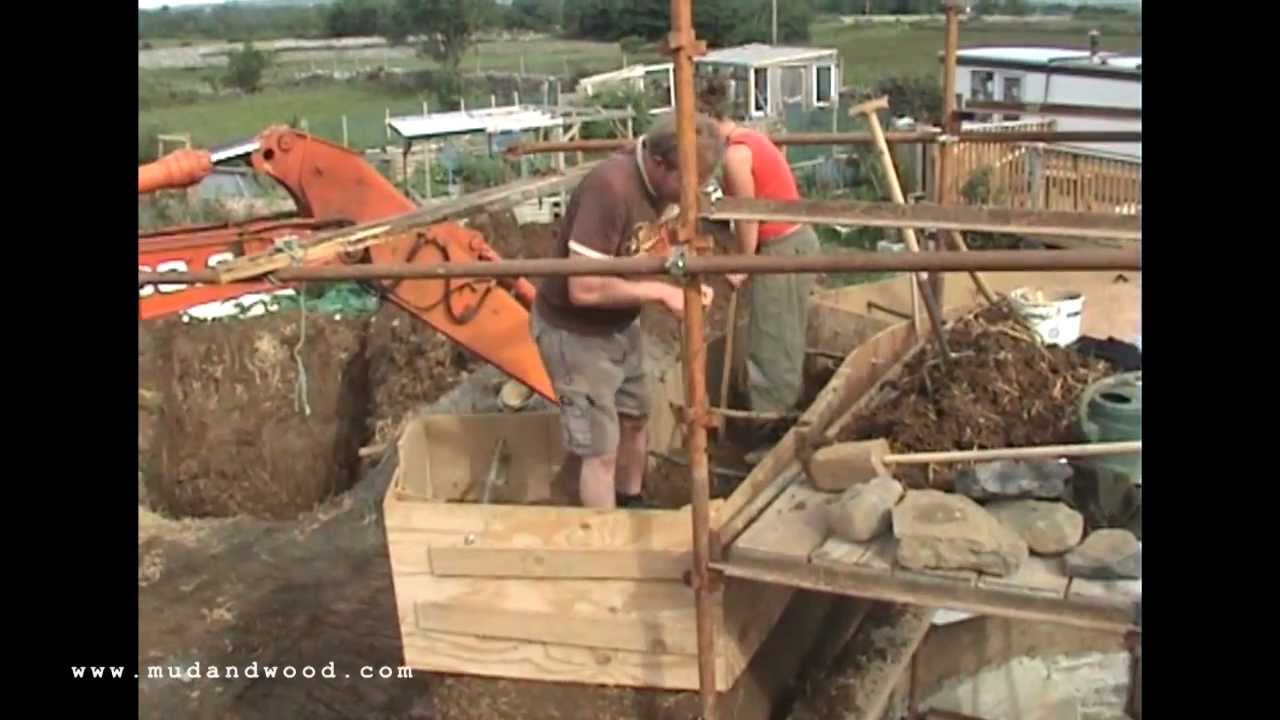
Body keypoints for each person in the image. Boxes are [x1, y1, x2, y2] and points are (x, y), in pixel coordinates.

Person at [530, 113, 725, 509]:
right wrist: (659, 293)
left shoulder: (659, 188)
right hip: (577, 334)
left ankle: (631, 499)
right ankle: (604, 539)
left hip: (619, 324)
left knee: (634, 420)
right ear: (657, 163)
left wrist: (680, 278)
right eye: (686, 183)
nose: (690, 195)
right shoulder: (610, 188)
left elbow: (648, 245)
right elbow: (583, 288)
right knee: (600, 450)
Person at [697, 76, 821, 459]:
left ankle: (774, 440)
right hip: (792, 243)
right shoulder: (749, 140)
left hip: (782, 248)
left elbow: (749, 216)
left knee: (772, 343)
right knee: (778, 337)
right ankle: (778, 419)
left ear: (706, 119)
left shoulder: (736, 155)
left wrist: (743, 264)